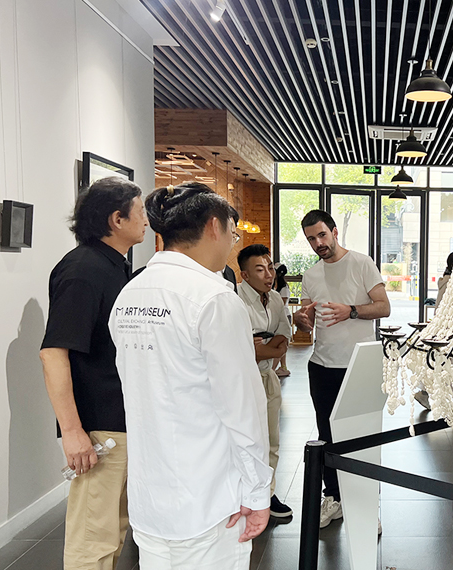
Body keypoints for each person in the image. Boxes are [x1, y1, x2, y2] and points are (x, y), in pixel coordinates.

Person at [109, 182, 273, 568]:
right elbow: (241, 408)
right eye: (233, 233)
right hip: (211, 497)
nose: (232, 243)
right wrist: (257, 491)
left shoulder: (131, 293)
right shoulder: (214, 298)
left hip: (150, 498)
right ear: (214, 226)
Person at [39, 177, 146, 570]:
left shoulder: (113, 266)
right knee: (93, 538)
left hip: (121, 420)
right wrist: (72, 432)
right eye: (140, 212)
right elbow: (54, 353)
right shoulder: (83, 269)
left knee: (113, 529)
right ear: (117, 220)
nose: (146, 220)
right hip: (99, 427)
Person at [293, 209, 390, 528]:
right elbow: (306, 317)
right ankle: (333, 497)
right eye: (311, 239)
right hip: (322, 366)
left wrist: (351, 311)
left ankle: (366, 506)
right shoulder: (311, 275)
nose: (318, 243)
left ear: (334, 232)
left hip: (359, 364)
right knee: (327, 437)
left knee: (363, 438)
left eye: (322, 235)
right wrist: (301, 319)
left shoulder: (361, 263)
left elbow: (383, 307)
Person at [237, 244, 293, 519]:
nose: (269, 275)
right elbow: (240, 347)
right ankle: (244, 497)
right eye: (260, 270)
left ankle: (267, 495)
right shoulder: (235, 299)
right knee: (246, 441)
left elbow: (284, 339)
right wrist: (262, 347)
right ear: (245, 275)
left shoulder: (274, 300)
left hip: (268, 376)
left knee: (271, 439)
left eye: (270, 267)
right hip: (243, 380)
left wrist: (263, 347)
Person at [273, 263, 292, 377]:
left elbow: (282, 303)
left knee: (281, 343)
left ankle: (277, 368)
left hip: (284, 317)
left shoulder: (284, 288)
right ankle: (282, 367)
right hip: (275, 317)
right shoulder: (272, 285)